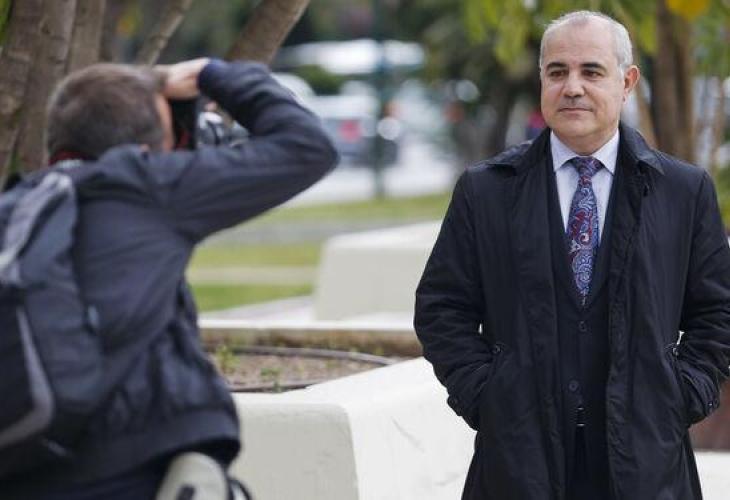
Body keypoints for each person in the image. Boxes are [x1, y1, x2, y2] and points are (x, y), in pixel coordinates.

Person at [414, 10, 730, 500]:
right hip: (519, 461)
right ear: (542, 81)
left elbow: (719, 311)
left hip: (647, 462)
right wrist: (487, 396)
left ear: (627, 83)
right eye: (557, 72)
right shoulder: (486, 191)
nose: (573, 87)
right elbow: (441, 307)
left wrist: (680, 395)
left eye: (591, 71)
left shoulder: (683, 192)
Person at [6, 58, 337, 498]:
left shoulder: (20, 207)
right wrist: (214, 74)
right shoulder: (145, 185)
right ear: (149, 147)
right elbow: (308, 146)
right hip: (129, 470)